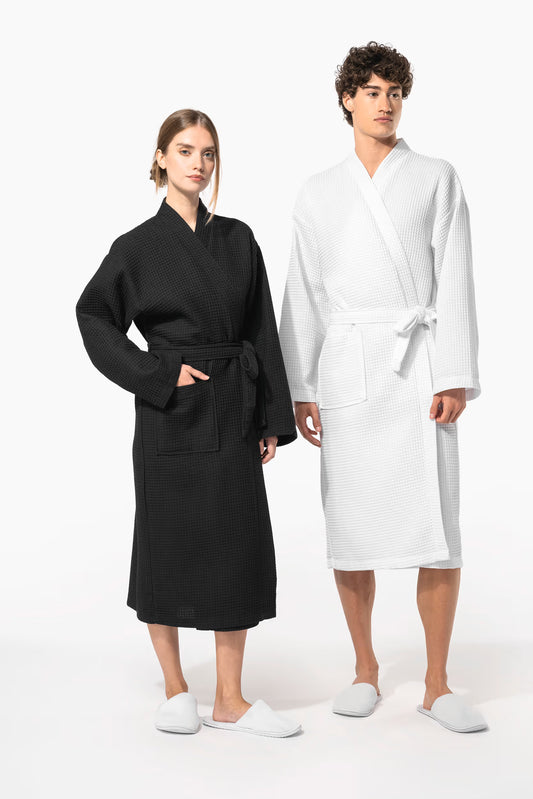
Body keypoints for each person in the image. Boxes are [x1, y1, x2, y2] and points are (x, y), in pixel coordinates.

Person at [279, 42, 488, 733]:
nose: (385, 103)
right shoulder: (317, 191)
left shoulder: (435, 176)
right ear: (347, 99)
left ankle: (436, 682)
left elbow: (454, 274)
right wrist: (300, 386)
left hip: (420, 369)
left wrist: (453, 373)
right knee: (352, 528)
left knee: (440, 530)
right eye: (371, 91)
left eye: (395, 91)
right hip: (348, 369)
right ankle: (364, 668)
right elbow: (304, 293)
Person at [76, 109, 301, 738]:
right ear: (161, 159)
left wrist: (270, 416)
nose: (198, 163)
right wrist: (156, 372)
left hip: (233, 407)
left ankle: (230, 699)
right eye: (184, 150)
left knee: (237, 543)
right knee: (166, 542)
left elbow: (261, 328)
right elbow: (93, 315)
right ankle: (176, 690)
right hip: (170, 415)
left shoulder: (238, 239)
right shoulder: (137, 247)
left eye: (207, 153)